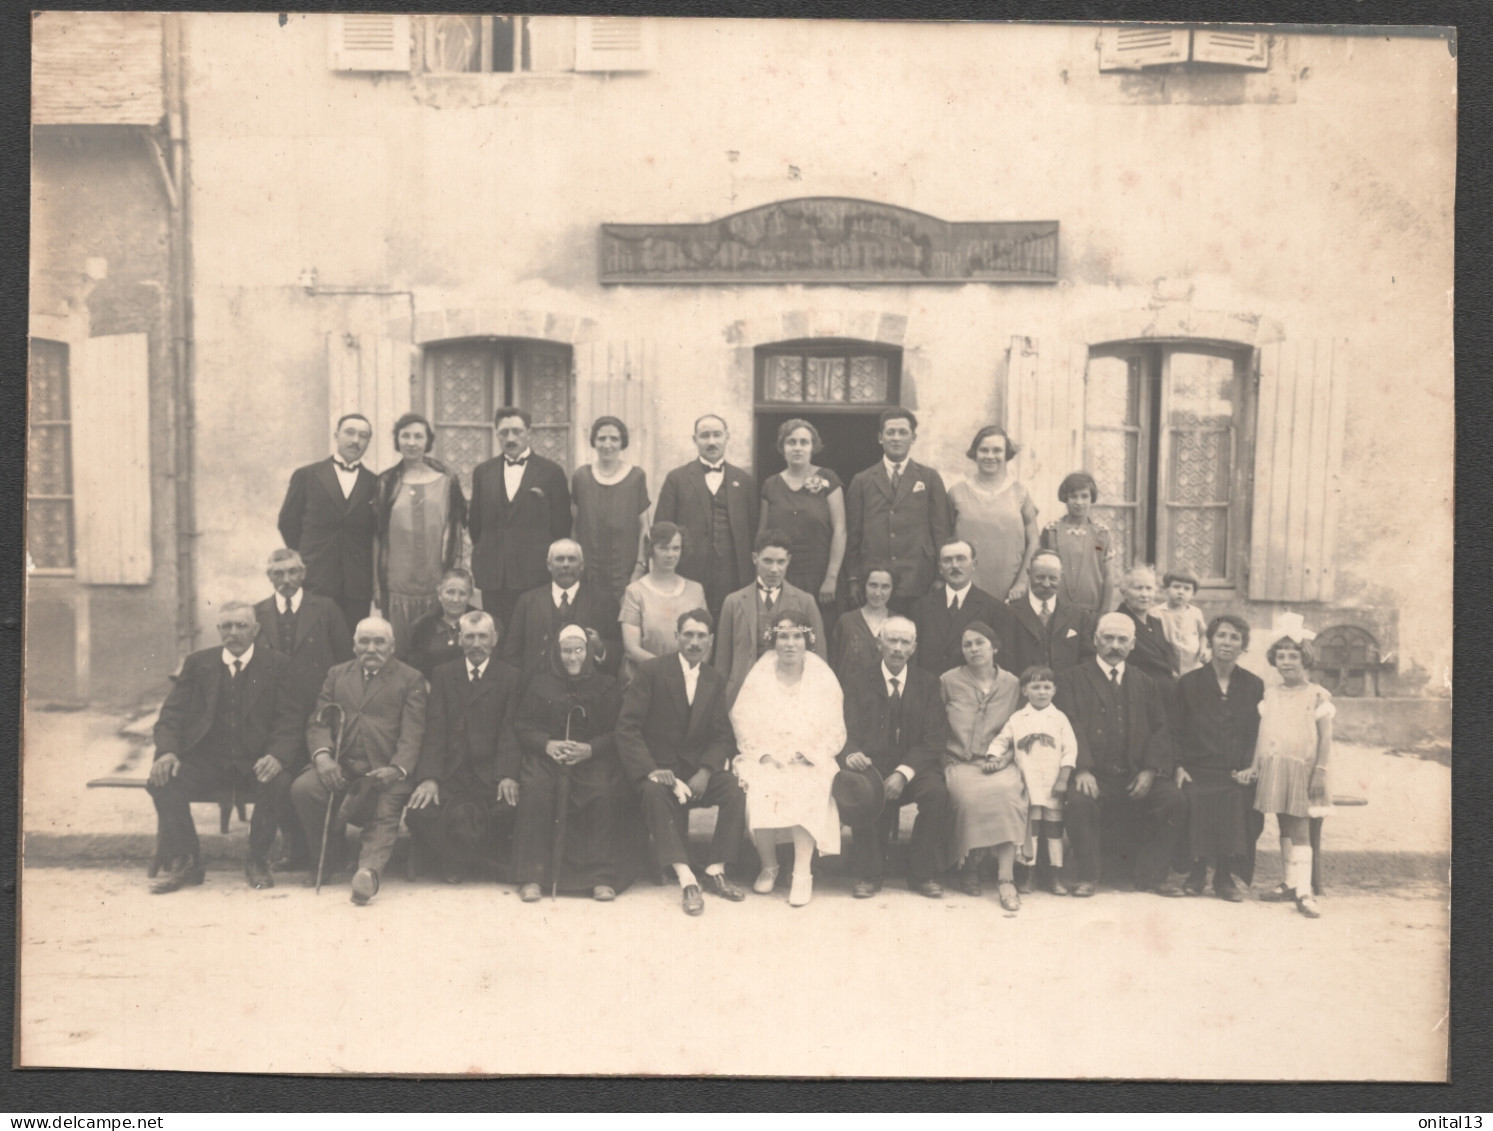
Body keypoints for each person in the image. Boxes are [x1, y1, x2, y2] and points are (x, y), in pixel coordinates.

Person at [145, 602, 303, 893]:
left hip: (254, 762)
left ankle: (257, 859)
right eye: (226, 626)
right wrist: (167, 752)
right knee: (162, 781)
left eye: (241, 626)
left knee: (278, 781)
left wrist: (277, 756)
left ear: (255, 630)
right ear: (218, 631)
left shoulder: (278, 665)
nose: (233, 633)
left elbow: (290, 720)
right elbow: (171, 716)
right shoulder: (198, 664)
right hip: (208, 762)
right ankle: (187, 860)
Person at [616, 609, 749, 916]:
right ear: (676, 637)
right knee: (652, 794)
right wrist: (651, 770)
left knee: (733, 789)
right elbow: (627, 728)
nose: (694, 642)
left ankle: (716, 869)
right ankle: (686, 877)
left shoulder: (714, 679)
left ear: (711, 640)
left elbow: (721, 736)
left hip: (695, 771)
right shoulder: (651, 671)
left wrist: (705, 771)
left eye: (701, 636)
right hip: (658, 769)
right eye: (688, 634)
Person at [289, 616, 426, 906]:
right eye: (364, 641)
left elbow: (414, 731)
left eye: (379, 642)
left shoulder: (409, 678)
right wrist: (323, 756)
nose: (371, 648)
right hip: (343, 764)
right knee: (304, 789)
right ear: (354, 646)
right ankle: (328, 857)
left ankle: (368, 873)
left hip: (385, 769)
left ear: (391, 646)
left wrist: (398, 768)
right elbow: (319, 721)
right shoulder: (337, 675)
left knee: (385, 809)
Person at [1054, 613, 1185, 898]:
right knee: (1078, 801)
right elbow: (1069, 725)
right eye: (1108, 638)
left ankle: (1152, 876)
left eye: (1122, 639)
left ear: (1133, 644)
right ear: (1095, 640)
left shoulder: (1146, 683)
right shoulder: (1072, 679)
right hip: (1095, 773)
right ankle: (1088, 876)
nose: (1114, 645)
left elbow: (1160, 729)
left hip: (1134, 772)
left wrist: (1150, 771)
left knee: (1172, 799)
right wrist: (1083, 770)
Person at [729, 611, 846, 907]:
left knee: (806, 784)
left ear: (807, 640)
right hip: (767, 752)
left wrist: (810, 753)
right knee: (762, 783)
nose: (790, 643)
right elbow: (742, 717)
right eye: (783, 636)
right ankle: (769, 865)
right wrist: (763, 753)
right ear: (774, 640)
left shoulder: (822, 676)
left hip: (809, 754)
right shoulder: (761, 673)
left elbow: (834, 724)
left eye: (797, 636)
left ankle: (802, 872)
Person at [510, 623, 634, 902]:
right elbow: (523, 725)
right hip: (548, 758)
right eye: (566, 651)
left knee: (601, 790)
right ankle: (533, 875)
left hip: (591, 758)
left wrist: (590, 749)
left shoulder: (606, 685)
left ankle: (599, 877)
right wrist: (547, 744)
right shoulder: (540, 683)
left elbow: (618, 732)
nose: (573, 657)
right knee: (536, 788)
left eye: (578, 650)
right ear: (557, 652)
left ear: (588, 651)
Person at [253, 547, 354, 870]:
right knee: (282, 779)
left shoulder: (325, 609)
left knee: (313, 781)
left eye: (292, 572)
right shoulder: (258, 614)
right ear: (269, 577)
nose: (286, 580)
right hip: (277, 716)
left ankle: (325, 853)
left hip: (317, 712)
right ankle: (294, 849)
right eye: (278, 574)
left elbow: (343, 660)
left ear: (303, 573)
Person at [404, 611, 522, 884]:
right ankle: (468, 860)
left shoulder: (510, 676)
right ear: (459, 639)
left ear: (494, 639)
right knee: (420, 812)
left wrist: (507, 774)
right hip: (451, 773)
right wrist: (430, 778)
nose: (476, 643)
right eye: (470, 636)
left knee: (510, 808)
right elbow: (435, 729)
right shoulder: (444, 674)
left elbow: (510, 731)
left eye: (483, 636)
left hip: (489, 774)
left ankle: (458, 861)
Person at [838, 616, 951, 899]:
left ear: (913, 647)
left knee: (937, 793)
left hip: (913, 767)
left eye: (905, 642)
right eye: (892, 640)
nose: (898, 648)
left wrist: (903, 773)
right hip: (871, 766)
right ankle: (869, 874)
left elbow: (933, 739)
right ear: (879, 643)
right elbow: (843, 731)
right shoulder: (858, 682)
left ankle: (920, 873)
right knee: (859, 790)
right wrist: (851, 753)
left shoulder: (927, 684)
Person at [1238, 615, 1334, 919]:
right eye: (1281, 656)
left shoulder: (1317, 694)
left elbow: (1326, 739)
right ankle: (1290, 882)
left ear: (1305, 658)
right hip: (1276, 767)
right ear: (1273, 660)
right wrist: (1255, 766)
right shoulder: (1271, 694)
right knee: (1283, 824)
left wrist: (1320, 771)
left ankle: (1304, 892)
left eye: (1293, 656)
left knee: (1300, 827)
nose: (1286, 662)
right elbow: (1263, 736)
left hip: (1305, 771)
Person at [1172, 615, 1264, 903]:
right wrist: (1178, 766)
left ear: (1243, 647)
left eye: (1235, 637)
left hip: (1236, 769)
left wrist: (1252, 767)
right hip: (1197, 767)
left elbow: (1258, 732)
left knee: (1239, 797)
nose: (1227, 642)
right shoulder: (1189, 683)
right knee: (1194, 796)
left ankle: (1224, 876)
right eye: (1222, 635)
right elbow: (1174, 729)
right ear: (1210, 641)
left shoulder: (1253, 685)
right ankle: (1197, 871)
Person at [938, 622, 1026, 910]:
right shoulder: (948, 681)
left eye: (980, 643)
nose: (974, 649)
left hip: (1000, 762)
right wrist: (945, 757)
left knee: (1008, 795)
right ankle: (969, 867)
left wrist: (1004, 758)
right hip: (961, 761)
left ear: (994, 648)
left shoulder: (1013, 683)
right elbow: (935, 726)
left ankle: (1005, 878)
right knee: (968, 799)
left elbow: (1020, 727)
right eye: (968, 645)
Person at [469, 407, 572, 629]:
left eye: (517, 431)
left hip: (534, 576)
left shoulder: (551, 472)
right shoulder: (482, 472)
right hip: (494, 576)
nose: (511, 438)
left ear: (529, 432)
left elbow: (562, 527)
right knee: (495, 634)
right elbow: (475, 526)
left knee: (531, 636)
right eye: (504, 433)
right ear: (496, 434)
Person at [373, 412, 467, 654]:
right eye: (405, 436)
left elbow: (456, 529)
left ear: (428, 441)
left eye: (418, 436)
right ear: (397, 440)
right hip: (397, 585)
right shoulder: (385, 482)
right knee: (400, 649)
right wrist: (376, 583)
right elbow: (377, 536)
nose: (412, 442)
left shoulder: (447, 480)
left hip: (435, 580)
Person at [277, 412, 379, 634]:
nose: (355, 440)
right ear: (336, 435)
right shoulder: (307, 475)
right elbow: (287, 522)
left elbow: (376, 533)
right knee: (314, 642)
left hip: (356, 584)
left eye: (363, 436)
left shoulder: (375, 483)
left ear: (368, 442)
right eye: (349, 433)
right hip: (315, 577)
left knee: (349, 644)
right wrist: (308, 557)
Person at [844, 408, 952, 613]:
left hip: (919, 577)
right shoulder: (862, 480)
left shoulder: (929, 478)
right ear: (880, 437)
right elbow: (853, 535)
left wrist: (940, 576)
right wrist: (853, 578)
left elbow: (942, 531)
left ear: (913, 437)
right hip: (875, 580)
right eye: (890, 432)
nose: (896, 438)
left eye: (903, 432)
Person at [653, 414, 758, 618]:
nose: (711, 441)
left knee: (730, 626)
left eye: (717, 435)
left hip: (733, 573)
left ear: (727, 437)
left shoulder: (744, 481)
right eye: (704, 436)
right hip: (690, 572)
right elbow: (662, 529)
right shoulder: (677, 479)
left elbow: (754, 529)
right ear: (695, 440)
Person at [714, 529, 827, 706]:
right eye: (767, 561)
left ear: (788, 561)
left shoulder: (805, 602)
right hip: (744, 694)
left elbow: (819, 659)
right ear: (755, 558)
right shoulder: (733, 602)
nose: (774, 569)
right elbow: (722, 661)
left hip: (790, 695)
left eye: (780, 562)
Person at [993, 666, 1078, 897]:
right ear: (1024, 690)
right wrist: (993, 756)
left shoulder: (1059, 719)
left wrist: (1063, 779)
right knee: (1031, 831)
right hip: (1028, 784)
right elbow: (1003, 740)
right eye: (1036, 687)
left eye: (1047, 687)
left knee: (1053, 831)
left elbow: (1070, 750)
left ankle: (1055, 875)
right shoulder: (1018, 718)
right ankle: (1028, 874)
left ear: (1054, 690)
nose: (1042, 692)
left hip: (1052, 786)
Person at [757, 419, 846, 630]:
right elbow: (762, 534)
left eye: (804, 442)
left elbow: (840, 531)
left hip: (820, 577)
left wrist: (831, 578)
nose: (797, 447)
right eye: (791, 442)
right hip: (781, 574)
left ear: (813, 447)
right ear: (782, 447)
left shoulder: (828, 479)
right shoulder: (771, 485)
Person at [503, 539, 621, 682]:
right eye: (560, 559)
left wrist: (600, 647)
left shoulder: (604, 601)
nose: (566, 564)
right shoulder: (527, 601)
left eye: (572, 559)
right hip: (537, 691)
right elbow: (511, 654)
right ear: (549, 565)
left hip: (586, 691)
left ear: (582, 565)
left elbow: (618, 650)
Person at [949, 425, 1039, 600]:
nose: (990, 456)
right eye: (984, 450)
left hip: (1010, 593)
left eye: (997, 450)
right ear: (975, 453)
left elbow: (1034, 541)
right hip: (965, 591)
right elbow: (945, 541)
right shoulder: (957, 493)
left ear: (1007, 454)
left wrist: (1022, 582)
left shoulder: (1020, 494)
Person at [571, 415, 651, 610]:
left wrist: (639, 567)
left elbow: (644, 527)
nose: (607, 444)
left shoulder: (636, 477)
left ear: (622, 441)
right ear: (593, 442)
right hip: (589, 571)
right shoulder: (581, 476)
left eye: (614, 439)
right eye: (602, 438)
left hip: (625, 571)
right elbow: (574, 525)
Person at [910, 538, 1014, 676]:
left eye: (960, 559)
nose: (954, 565)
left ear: (973, 564)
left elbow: (1002, 661)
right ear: (940, 569)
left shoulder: (994, 608)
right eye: (947, 560)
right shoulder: (921, 608)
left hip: (971, 691)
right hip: (929, 690)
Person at [619, 521, 708, 679]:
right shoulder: (635, 591)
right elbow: (631, 649)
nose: (670, 555)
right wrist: (671, 670)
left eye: (675, 548)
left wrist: (691, 673)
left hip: (689, 678)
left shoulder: (696, 590)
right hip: (648, 678)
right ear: (651, 550)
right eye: (663, 548)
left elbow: (706, 641)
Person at [1002, 550, 1094, 678]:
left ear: (1061, 576)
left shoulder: (1079, 617)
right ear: (1029, 574)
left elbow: (1087, 661)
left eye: (1053, 578)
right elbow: (1006, 663)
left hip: (1067, 693)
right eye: (1040, 577)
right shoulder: (1009, 613)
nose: (1046, 584)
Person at [1038, 471, 1113, 615]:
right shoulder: (1051, 531)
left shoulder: (1102, 533)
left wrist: (1104, 612)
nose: (1079, 502)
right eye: (1073, 496)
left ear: (1092, 498)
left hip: (1091, 610)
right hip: (1055, 610)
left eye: (1084, 496)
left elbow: (1108, 576)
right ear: (1065, 498)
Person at [405, 569, 480, 681]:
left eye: (462, 593)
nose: (456, 599)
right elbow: (414, 672)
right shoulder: (421, 627)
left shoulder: (483, 624)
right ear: (439, 594)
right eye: (450, 592)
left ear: (470, 596)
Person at [828, 563, 896, 686]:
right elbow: (833, 664)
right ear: (864, 586)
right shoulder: (846, 622)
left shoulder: (899, 624)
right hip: (850, 698)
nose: (877, 593)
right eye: (873, 585)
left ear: (892, 589)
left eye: (885, 587)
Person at [1114, 565, 1176, 685]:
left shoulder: (1156, 622)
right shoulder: (1117, 622)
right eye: (1138, 588)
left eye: (1149, 588)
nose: (1144, 594)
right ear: (1124, 593)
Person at [1157, 569, 1210, 677]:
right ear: (1167, 589)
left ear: (1193, 594)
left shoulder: (1195, 612)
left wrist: (1203, 649)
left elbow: (1204, 634)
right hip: (1168, 666)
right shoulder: (1156, 613)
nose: (1181, 592)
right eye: (1176, 587)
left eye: (1187, 588)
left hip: (1192, 665)